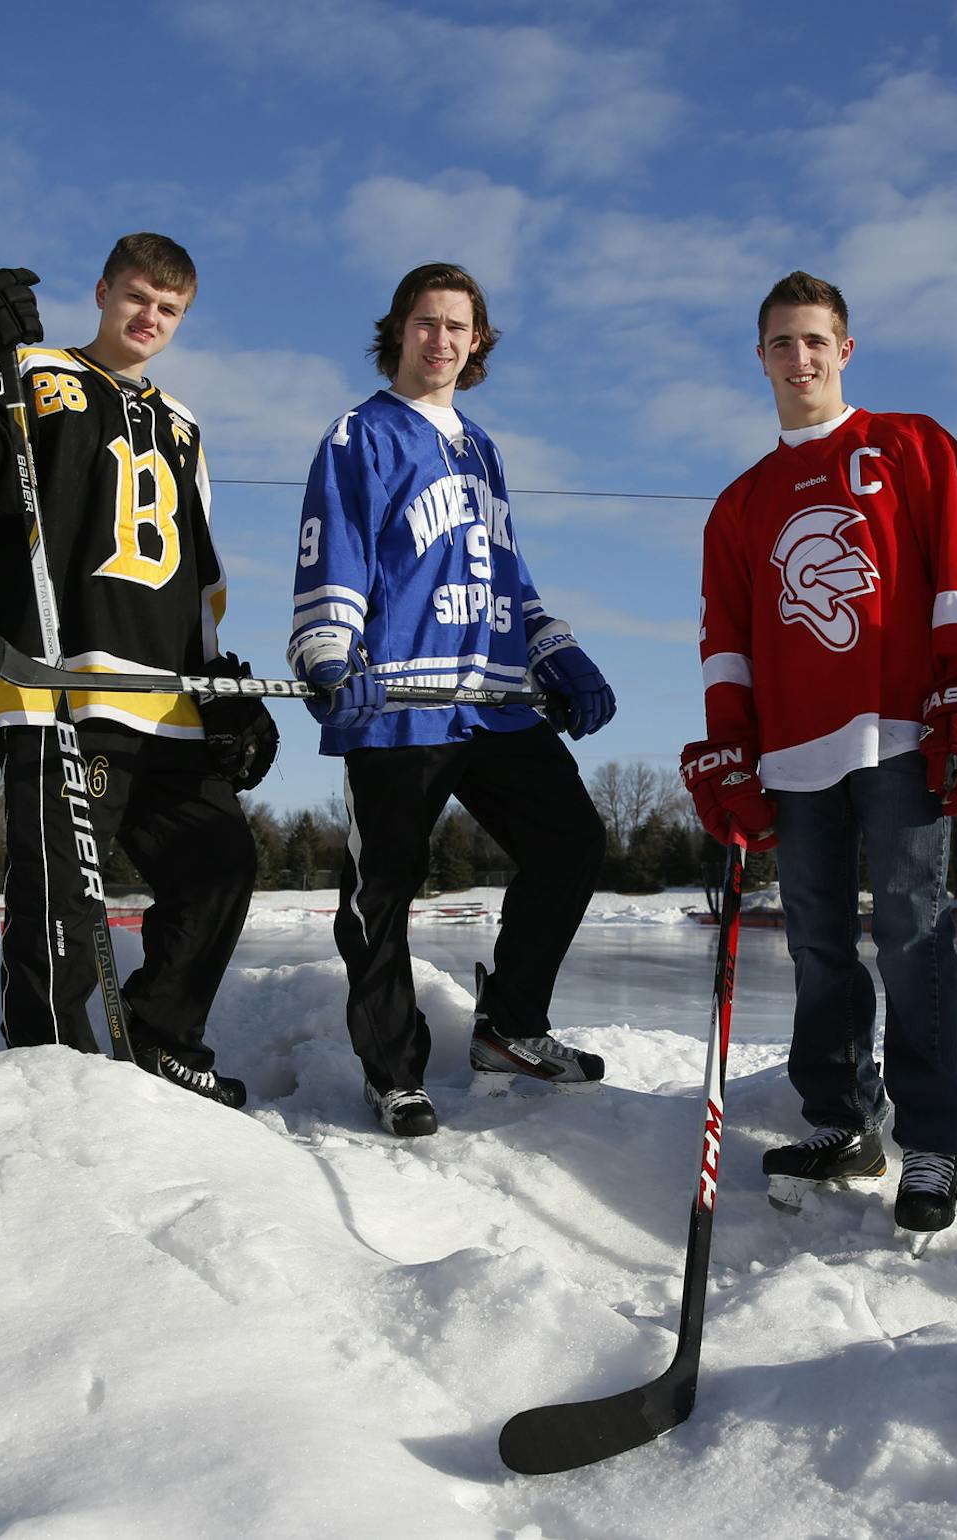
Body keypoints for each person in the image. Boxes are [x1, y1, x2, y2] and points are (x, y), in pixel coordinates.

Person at [682, 271, 957, 1232]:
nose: (801, 359)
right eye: (783, 343)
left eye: (817, 341)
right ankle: (843, 1119)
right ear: (761, 358)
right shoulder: (740, 504)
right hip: (794, 752)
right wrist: (729, 749)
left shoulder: (912, 446)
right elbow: (727, 640)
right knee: (819, 941)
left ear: (846, 351)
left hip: (900, 731)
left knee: (912, 927)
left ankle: (935, 1137)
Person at [0, 235, 269, 1108]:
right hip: (56, 678)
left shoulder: (183, 425)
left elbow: (199, 575)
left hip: (167, 699)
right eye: (138, 296)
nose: (149, 317)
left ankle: (161, 1035)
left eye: (169, 309)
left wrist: (221, 684)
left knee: (220, 865)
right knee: (62, 896)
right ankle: (52, 1078)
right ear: (103, 290)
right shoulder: (30, 371)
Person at [289, 262, 616, 1137]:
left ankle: (510, 1026)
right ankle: (393, 1073)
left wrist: (554, 647)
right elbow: (339, 550)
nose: (441, 340)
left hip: (492, 703)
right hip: (399, 701)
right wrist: (329, 645)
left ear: (477, 343)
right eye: (427, 323)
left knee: (573, 843)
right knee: (382, 892)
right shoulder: (360, 433)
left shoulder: (482, 446)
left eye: (458, 328)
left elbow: (503, 566)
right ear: (398, 329)